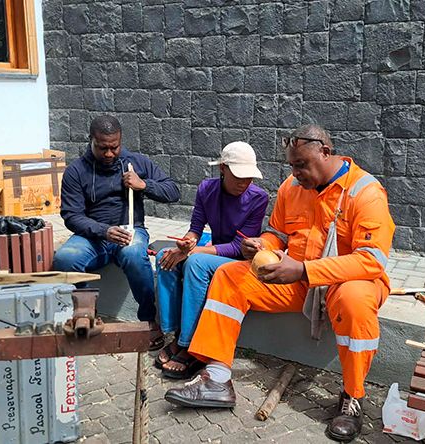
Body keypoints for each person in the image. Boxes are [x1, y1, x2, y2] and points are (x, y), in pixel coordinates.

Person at [164, 124, 395, 443]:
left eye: (301, 164)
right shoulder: (291, 188)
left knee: (354, 299)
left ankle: (352, 397)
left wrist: (302, 270)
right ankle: (217, 379)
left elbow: (372, 261)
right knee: (230, 275)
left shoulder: (364, 191)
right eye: (291, 165)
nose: (295, 172)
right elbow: (279, 234)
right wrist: (263, 245)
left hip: (349, 280)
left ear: (325, 153)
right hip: (299, 277)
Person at [53, 115, 180, 350]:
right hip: (93, 236)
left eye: (115, 147)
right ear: (91, 140)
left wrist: (145, 185)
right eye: (103, 148)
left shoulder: (137, 162)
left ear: (120, 141)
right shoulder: (76, 171)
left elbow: (173, 191)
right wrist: (103, 230)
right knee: (65, 258)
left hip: (131, 229)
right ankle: (86, 314)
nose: (110, 153)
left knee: (133, 254)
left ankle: (147, 320)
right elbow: (71, 216)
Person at [155, 142, 268, 379]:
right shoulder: (206, 188)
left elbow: (239, 246)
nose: (244, 182)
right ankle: (173, 334)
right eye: (239, 175)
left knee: (195, 264)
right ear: (223, 169)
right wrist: (187, 243)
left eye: (249, 177)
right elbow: (195, 228)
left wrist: (192, 253)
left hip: (240, 260)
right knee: (164, 257)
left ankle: (189, 345)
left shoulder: (259, 198)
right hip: (213, 252)